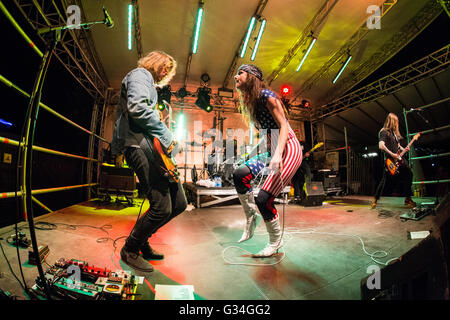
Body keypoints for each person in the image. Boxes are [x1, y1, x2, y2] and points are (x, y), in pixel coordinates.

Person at [111, 51, 187, 272]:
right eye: (164, 66)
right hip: (136, 145)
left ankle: (142, 240)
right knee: (161, 207)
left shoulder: (149, 85)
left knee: (179, 203)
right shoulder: (140, 74)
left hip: (149, 147)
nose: (166, 72)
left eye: (169, 69)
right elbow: (137, 109)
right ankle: (130, 249)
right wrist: (168, 135)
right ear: (154, 63)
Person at [232, 64, 302, 257]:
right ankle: (251, 217)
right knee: (240, 173)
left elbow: (284, 126)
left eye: (241, 73)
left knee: (264, 199)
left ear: (252, 77)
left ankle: (275, 241)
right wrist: (253, 155)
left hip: (288, 148)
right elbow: (267, 135)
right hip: (272, 150)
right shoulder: (252, 103)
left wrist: (278, 154)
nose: (236, 77)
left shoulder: (266, 96)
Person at [370, 113, 416, 209]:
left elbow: (397, 145)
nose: (397, 123)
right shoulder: (384, 132)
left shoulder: (394, 134)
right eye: (396, 121)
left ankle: (407, 198)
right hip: (390, 160)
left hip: (399, 158)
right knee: (384, 180)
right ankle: (375, 199)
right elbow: (381, 146)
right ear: (392, 121)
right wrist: (392, 154)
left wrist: (404, 148)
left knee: (409, 174)